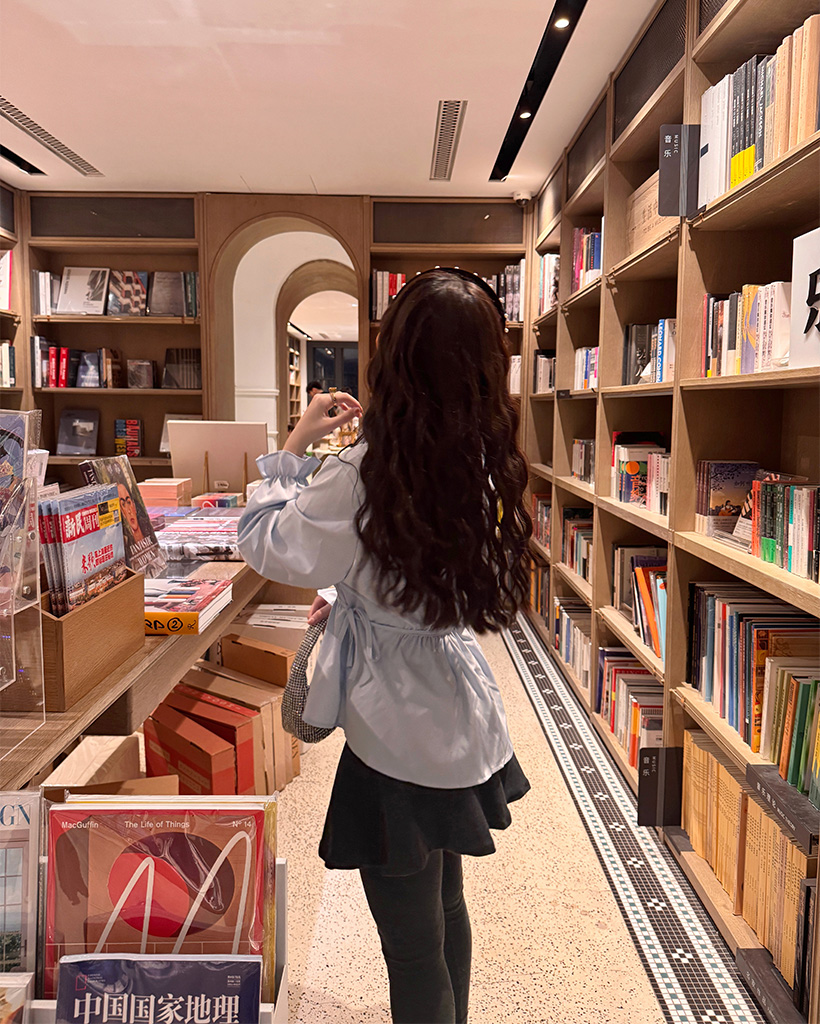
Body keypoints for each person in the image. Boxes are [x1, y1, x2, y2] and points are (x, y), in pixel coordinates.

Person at [238, 268, 532, 1024]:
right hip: (458, 704)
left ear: (393, 357)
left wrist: (295, 444)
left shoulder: (364, 472)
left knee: (410, 945)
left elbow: (266, 541)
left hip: (393, 729)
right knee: (446, 906)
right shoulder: (482, 458)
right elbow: (407, 570)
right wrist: (353, 593)